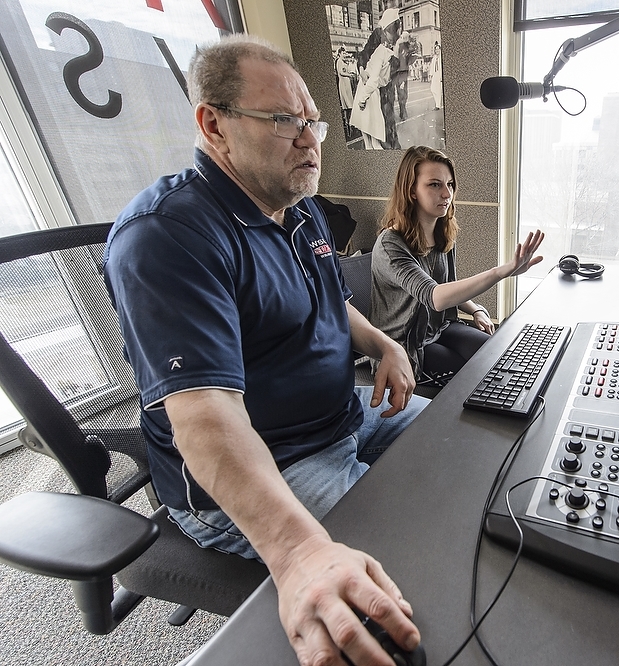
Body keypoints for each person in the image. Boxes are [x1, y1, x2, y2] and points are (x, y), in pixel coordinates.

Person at [103, 34, 425, 666]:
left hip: (345, 417)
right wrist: (299, 554)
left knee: (464, 449)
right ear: (213, 124)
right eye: (284, 120)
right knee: (409, 572)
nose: (308, 138)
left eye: (312, 121)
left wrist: (381, 340)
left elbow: (328, 302)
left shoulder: (297, 209)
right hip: (272, 465)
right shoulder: (168, 237)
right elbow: (204, 416)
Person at [369, 146, 544, 386]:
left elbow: (447, 286)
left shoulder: (442, 233)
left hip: (440, 328)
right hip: (403, 344)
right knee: (478, 376)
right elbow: (436, 296)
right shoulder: (391, 244)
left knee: (496, 356)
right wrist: (501, 272)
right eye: (434, 185)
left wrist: (476, 310)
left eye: (450, 185)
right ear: (411, 191)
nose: (446, 194)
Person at [351, 9, 401, 150]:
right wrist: (362, 70)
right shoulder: (377, 37)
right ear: (384, 31)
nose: (393, 38)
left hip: (382, 88)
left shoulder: (397, 42)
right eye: (391, 33)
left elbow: (389, 74)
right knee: (371, 132)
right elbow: (364, 54)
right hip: (371, 87)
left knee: (384, 128)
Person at [335, 46, 357, 133]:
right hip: (343, 84)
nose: (344, 54)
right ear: (340, 54)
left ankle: (350, 123)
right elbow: (340, 72)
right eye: (343, 53)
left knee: (349, 105)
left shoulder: (344, 62)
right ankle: (348, 124)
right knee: (347, 105)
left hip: (347, 85)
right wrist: (349, 75)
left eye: (345, 53)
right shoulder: (339, 61)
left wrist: (350, 73)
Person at [393, 31, 414, 121]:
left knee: (404, 93)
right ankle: (403, 112)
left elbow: (412, 51)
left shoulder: (405, 45)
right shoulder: (399, 45)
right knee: (402, 93)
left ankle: (403, 111)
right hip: (399, 72)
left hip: (403, 71)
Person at [430, 42, 443, 110]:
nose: (437, 50)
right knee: (432, 89)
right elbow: (432, 66)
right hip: (435, 74)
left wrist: (442, 76)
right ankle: (437, 104)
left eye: (438, 49)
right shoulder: (434, 57)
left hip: (440, 74)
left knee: (438, 90)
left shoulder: (442, 57)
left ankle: (438, 105)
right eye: (436, 49)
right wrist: (431, 74)